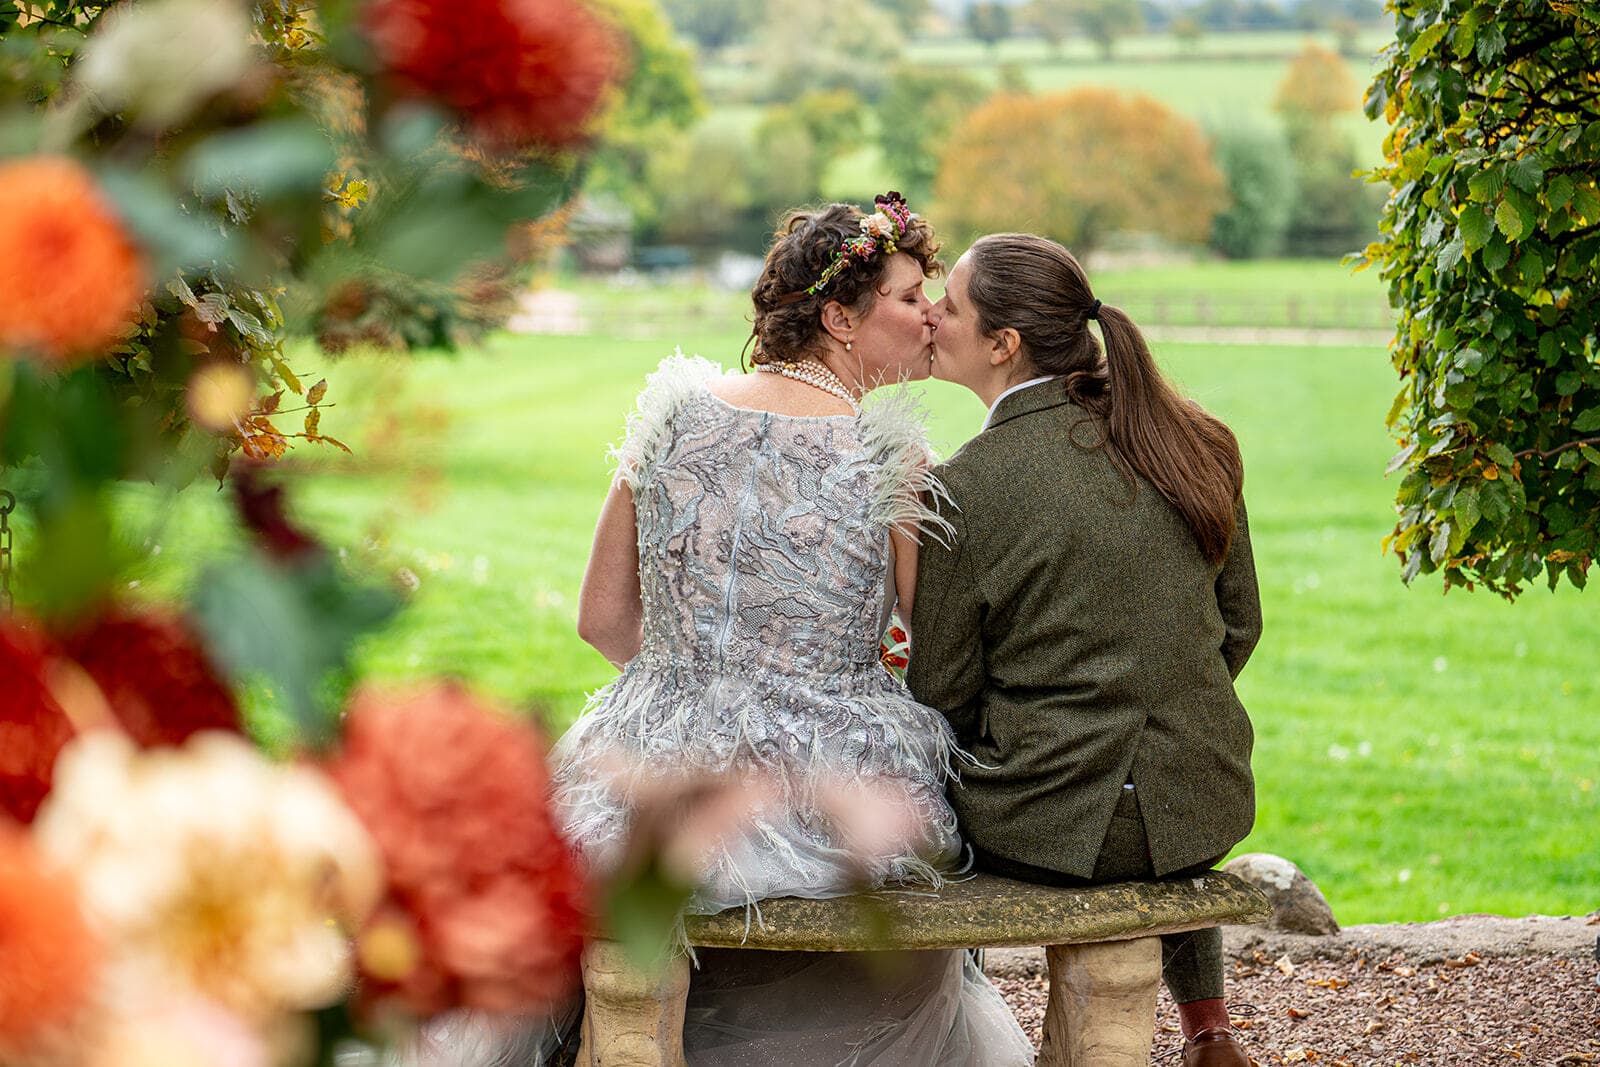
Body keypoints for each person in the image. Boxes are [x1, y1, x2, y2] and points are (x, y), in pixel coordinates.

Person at [556, 196, 1032, 1065]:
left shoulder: (670, 410)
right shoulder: (892, 455)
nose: (933, 314)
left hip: (654, 756)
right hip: (823, 782)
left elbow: (601, 619)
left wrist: (696, 681)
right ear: (838, 316)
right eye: (909, 296)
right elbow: (936, 653)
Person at [908, 233, 1262, 1067]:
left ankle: (950, 1029)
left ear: (1004, 345)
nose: (932, 314)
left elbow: (938, 688)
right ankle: (1206, 1024)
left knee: (908, 790)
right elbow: (1237, 627)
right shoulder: (1197, 439)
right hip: (1203, 801)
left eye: (949, 305)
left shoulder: (965, 486)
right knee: (1145, 791)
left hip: (1044, 824)